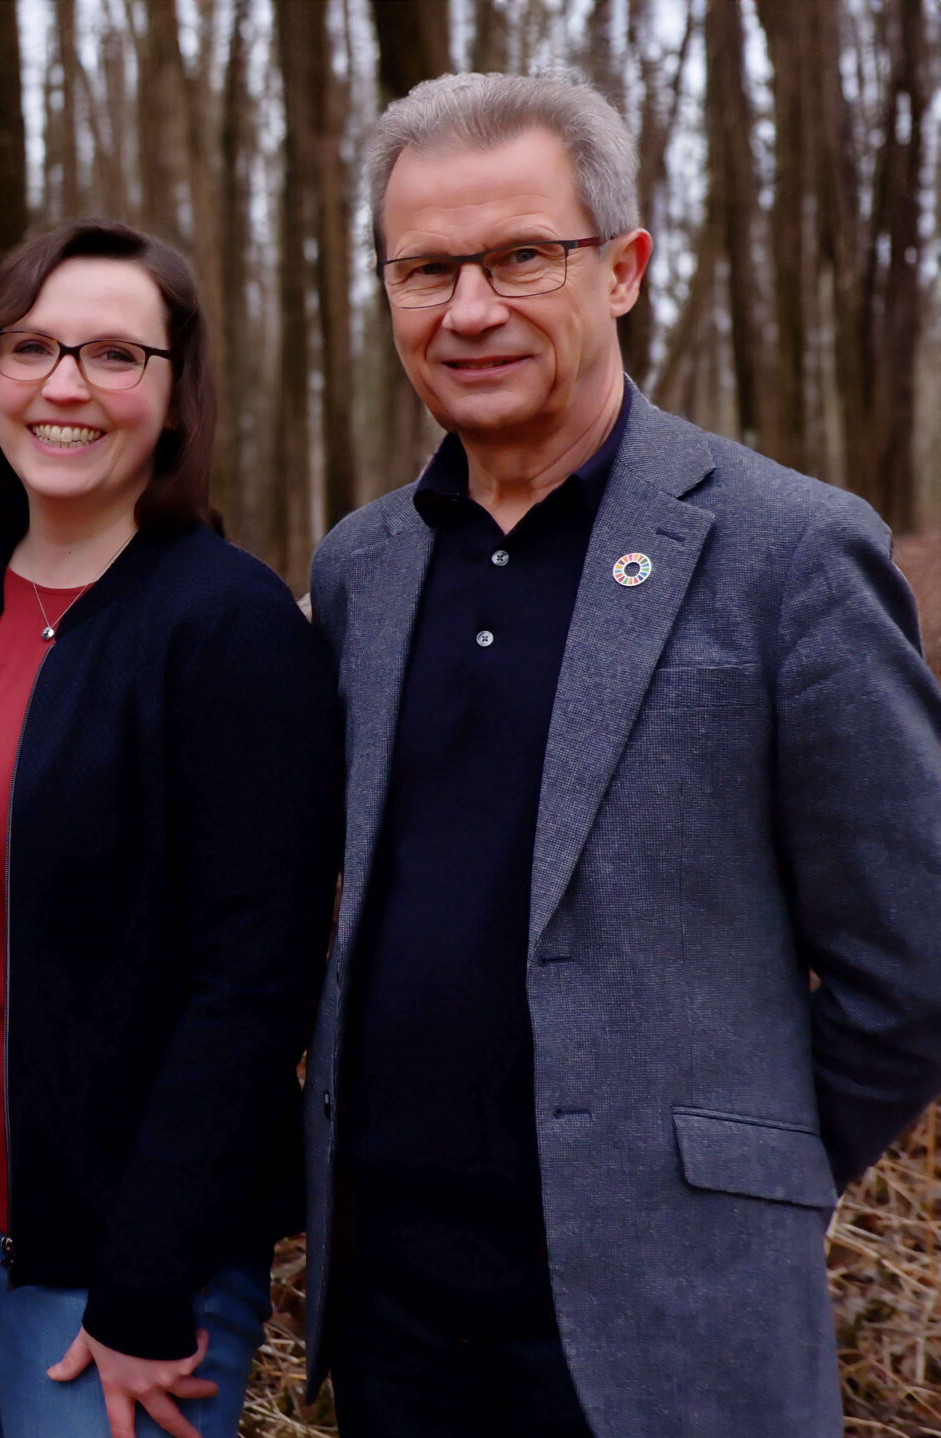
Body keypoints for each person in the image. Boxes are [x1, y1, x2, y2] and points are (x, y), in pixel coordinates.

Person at [304, 70, 941, 1438]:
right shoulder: (364, 567)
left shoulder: (790, 553)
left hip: (673, 1324)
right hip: (397, 1323)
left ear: (626, 267)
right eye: (426, 269)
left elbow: (916, 957)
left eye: (522, 256)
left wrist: (744, 1173)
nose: (470, 309)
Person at [0, 221, 341, 1438]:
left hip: (114, 1263)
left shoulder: (230, 630)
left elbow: (252, 984)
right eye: (30, 348)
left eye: (112, 355)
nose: (64, 386)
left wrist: (147, 1285)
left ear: (174, 392)